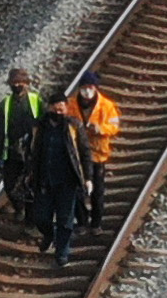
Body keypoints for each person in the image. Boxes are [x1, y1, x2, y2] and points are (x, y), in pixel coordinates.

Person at [29, 98, 89, 267]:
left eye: (61, 109)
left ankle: (62, 254)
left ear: (66, 109)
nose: (58, 112)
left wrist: (88, 177)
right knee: (41, 217)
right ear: (49, 109)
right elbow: (32, 151)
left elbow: (84, 153)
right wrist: (30, 173)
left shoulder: (73, 126)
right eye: (55, 109)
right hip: (44, 181)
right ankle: (48, 234)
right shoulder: (40, 127)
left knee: (65, 220)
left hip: (67, 182)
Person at [65, 71, 119, 227]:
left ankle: (96, 223)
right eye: (84, 87)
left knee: (97, 192)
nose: (87, 91)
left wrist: (100, 129)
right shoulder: (71, 104)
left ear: (95, 88)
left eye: (90, 87)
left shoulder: (107, 106)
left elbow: (114, 126)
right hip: (76, 154)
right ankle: (82, 221)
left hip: (97, 154)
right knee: (77, 191)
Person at [0, 68, 43, 224]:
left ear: (27, 84)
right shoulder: (5, 105)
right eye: (14, 83)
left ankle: (30, 219)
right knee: (10, 187)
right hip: (12, 152)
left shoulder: (36, 101)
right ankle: (19, 208)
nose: (18, 85)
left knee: (31, 186)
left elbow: (46, 123)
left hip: (32, 152)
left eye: (21, 82)